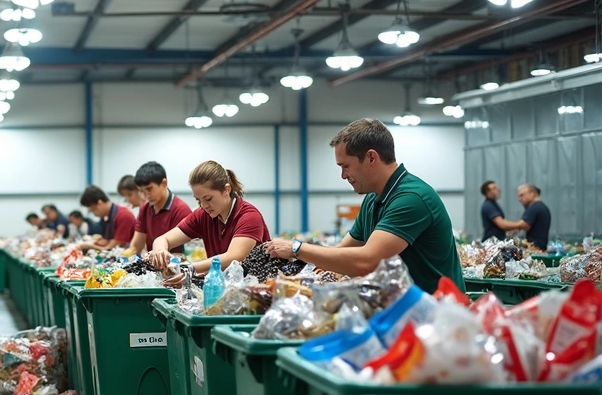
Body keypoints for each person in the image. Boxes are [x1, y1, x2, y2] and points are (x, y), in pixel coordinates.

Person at [264, 119, 463, 293]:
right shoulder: (372, 199)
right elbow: (342, 252)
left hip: (436, 313)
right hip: (403, 309)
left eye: (346, 166)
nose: (343, 175)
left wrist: (296, 248)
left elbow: (366, 262)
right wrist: (294, 273)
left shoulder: (411, 198)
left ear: (371, 158)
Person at [147, 161, 270, 273]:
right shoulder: (203, 215)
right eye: (198, 200)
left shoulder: (249, 216)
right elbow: (163, 239)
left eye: (208, 199)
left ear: (226, 190)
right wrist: (160, 252)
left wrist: (189, 268)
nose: (204, 205)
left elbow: (234, 257)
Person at [127, 161, 193, 255]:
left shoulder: (181, 210)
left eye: (149, 189)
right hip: (152, 261)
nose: (146, 195)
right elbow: (136, 246)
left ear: (164, 183)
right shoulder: (145, 208)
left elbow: (188, 252)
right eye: (142, 191)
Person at [492, 184, 552, 250]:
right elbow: (526, 226)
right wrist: (517, 228)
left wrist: (504, 225)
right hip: (540, 248)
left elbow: (524, 225)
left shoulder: (534, 207)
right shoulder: (541, 207)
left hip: (535, 249)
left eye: (521, 195)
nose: (519, 199)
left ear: (532, 193)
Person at [79, 185, 136, 249]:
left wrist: (88, 246)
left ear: (99, 203)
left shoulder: (123, 216)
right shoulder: (108, 217)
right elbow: (107, 242)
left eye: (93, 210)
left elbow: (111, 247)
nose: (94, 214)